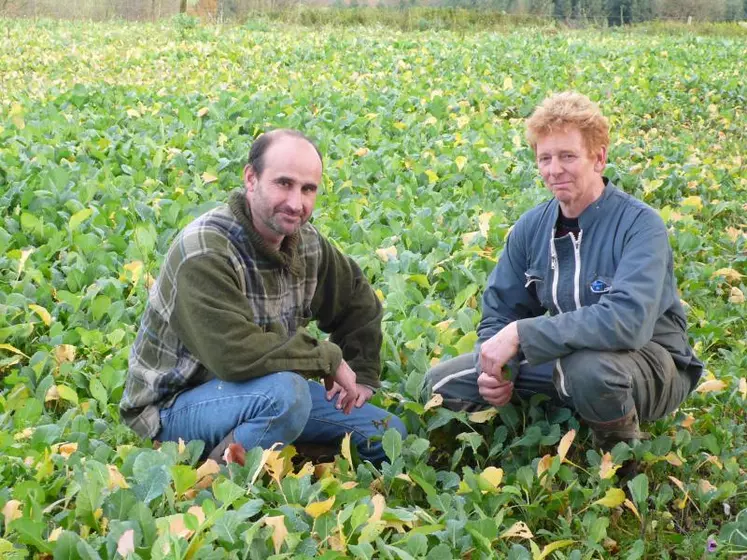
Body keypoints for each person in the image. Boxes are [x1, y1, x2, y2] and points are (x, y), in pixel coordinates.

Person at [426, 92, 703, 451]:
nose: (554, 169)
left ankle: (621, 455)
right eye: (545, 158)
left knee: (590, 370)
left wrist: (523, 335)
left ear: (598, 158)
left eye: (567, 156)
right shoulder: (531, 227)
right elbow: (501, 311)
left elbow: (628, 322)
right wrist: (493, 370)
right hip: (564, 357)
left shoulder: (640, 225)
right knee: (440, 383)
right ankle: (551, 415)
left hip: (650, 364)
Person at [120, 129, 406, 465]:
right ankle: (215, 485)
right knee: (288, 396)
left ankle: (282, 456)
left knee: (386, 432)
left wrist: (361, 375)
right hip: (175, 406)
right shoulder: (204, 251)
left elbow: (358, 301)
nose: (296, 203)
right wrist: (327, 358)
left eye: (308, 189)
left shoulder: (307, 243)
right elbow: (234, 356)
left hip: (264, 391)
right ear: (251, 179)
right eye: (284, 183)